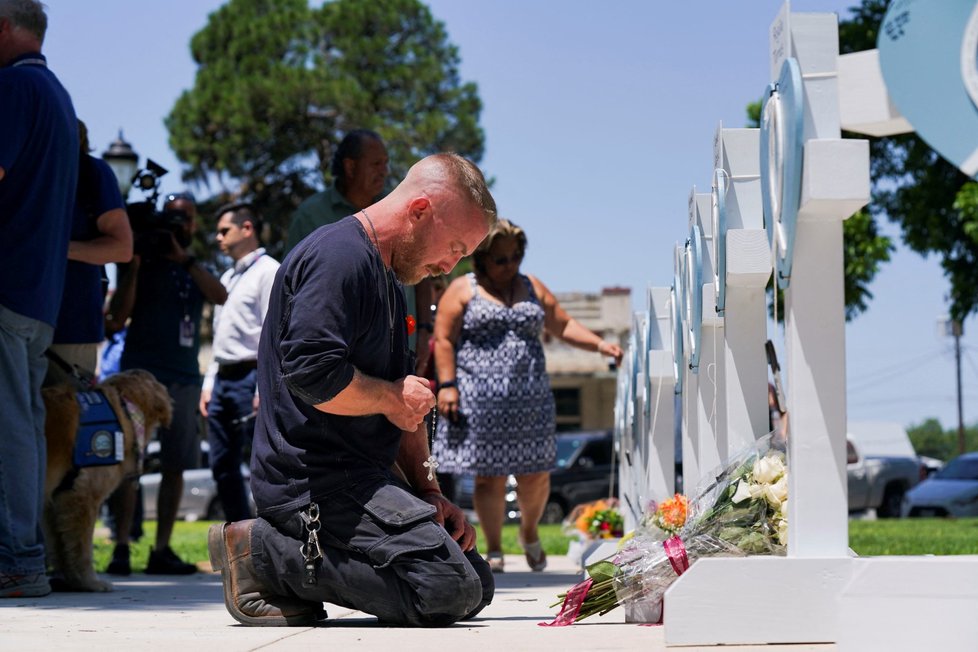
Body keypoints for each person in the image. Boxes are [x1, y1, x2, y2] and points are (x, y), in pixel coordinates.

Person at [208, 153, 497, 628]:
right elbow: (314, 375)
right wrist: (390, 396)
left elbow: (404, 401)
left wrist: (426, 492)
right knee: (446, 588)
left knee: (474, 582)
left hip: (362, 479)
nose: (449, 265)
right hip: (313, 485)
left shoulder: (386, 274)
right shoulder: (339, 257)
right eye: (454, 246)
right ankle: (260, 553)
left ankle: (289, 562)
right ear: (420, 210)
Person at [432, 219, 624, 574]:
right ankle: (492, 547)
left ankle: (529, 531)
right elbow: (443, 339)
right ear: (483, 259)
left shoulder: (531, 287)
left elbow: (562, 324)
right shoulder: (463, 289)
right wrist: (447, 385)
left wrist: (600, 345)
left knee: (535, 473)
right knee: (489, 476)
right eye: (501, 260)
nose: (509, 267)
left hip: (530, 398)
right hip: (480, 399)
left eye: (515, 258)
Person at [105, 191, 228, 575]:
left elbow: (220, 295)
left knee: (176, 464)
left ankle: (161, 550)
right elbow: (116, 318)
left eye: (187, 219)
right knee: (130, 464)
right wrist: (136, 266)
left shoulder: (193, 266)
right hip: (140, 378)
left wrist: (185, 259)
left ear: (194, 224)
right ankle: (121, 547)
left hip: (183, 379)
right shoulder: (141, 261)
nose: (180, 226)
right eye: (174, 218)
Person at [0, 0, 78, 599]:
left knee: (10, 426)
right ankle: (22, 556)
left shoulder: (12, 89)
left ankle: (17, 560)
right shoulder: (55, 95)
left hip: (7, 286)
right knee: (20, 425)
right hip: (36, 293)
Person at [286, 129, 435, 365]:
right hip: (335, 355)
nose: (384, 171)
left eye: (386, 163)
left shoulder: (401, 208)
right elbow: (291, 287)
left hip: (398, 351)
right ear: (350, 167)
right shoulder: (310, 216)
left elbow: (423, 271)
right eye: (376, 163)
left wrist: (425, 328)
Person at [199, 203, 280, 522]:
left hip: (251, 378)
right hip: (222, 381)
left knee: (263, 461)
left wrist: (265, 384)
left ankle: (270, 535)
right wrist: (210, 382)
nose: (218, 237)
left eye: (224, 230)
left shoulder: (268, 271)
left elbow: (272, 333)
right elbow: (221, 335)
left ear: (247, 228)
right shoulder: (227, 276)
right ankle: (240, 535)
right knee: (221, 464)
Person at [45, 119, 132, 387]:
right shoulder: (26, 170)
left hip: (69, 329)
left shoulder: (91, 172)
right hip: (18, 321)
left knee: (64, 421)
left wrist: (54, 250)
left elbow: (122, 247)